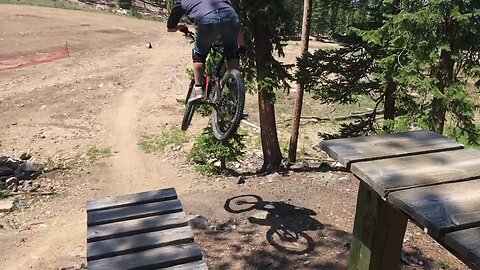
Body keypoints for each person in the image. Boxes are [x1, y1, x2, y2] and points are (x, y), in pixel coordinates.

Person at [167, 0, 243, 104]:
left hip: (206, 20)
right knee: (232, 53)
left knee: (199, 55)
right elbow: (233, 16)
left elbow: (170, 28)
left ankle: (198, 89)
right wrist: (242, 47)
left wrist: (179, 27)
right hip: (230, 17)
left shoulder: (181, 1)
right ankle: (235, 85)